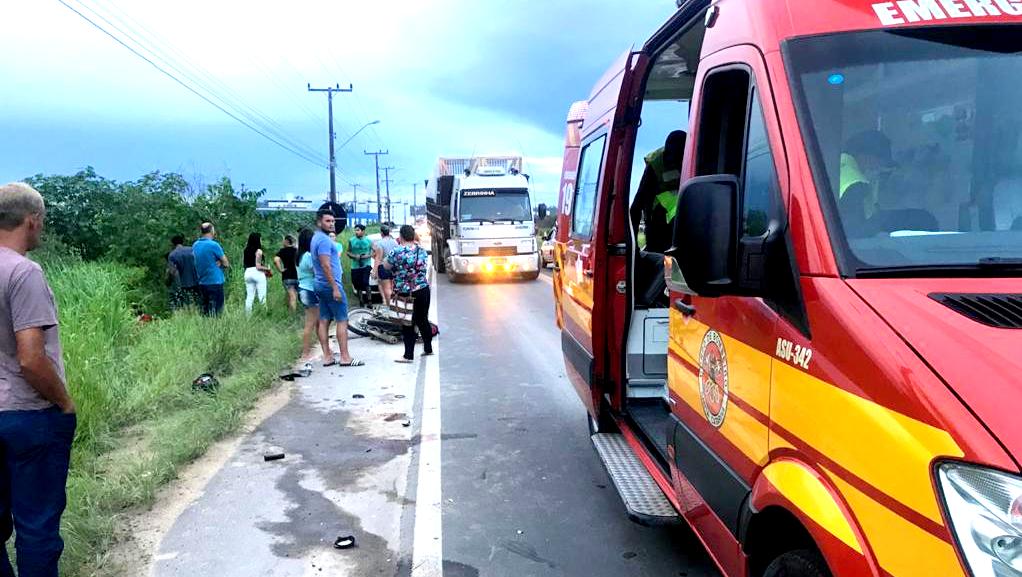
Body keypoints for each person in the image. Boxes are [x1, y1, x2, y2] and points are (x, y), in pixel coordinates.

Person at [0, 182, 76, 576]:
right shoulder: (23, 272)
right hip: (28, 416)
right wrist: (63, 403)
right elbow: (31, 358)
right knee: (37, 529)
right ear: (31, 221)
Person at [311, 210, 364, 367]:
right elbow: (326, 265)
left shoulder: (316, 238)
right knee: (342, 320)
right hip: (330, 284)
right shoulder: (325, 241)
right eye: (328, 221)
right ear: (319, 222)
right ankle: (345, 357)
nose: (332, 223)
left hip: (320, 284)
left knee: (324, 319)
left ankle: (327, 356)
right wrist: (334, 287)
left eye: (333, 221)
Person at [384, 225, 434, 363]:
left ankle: (408, 355)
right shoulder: (421, 251)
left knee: (407, 323)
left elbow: (386, 265)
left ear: (401, 236)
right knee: (423, 320)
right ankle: (428, 348)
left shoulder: (397, 251)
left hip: (405, 292)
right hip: (423, 289)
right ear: (413, 236)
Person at [630, 130, 686, 253]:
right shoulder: (655, 165)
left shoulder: (694, 158)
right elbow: (635, 208)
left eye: (678, 157)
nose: (673, 161)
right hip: (659, 228)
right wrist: (632, 248)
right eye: (670, 156)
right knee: (667, 267)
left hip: (683, 227)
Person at [193, 222, 230, 316]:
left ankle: (205, 328)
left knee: (205, 311)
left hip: (201, 282)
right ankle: (215, 329)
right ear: (212, 230)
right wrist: (220, 262)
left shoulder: (195, 245)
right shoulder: (214, 245)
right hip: (215, 281)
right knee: (217, 311)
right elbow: (226, 263)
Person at [296, 229, 320, 361]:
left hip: (302, 289)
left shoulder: (299, 255)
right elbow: (317, 272)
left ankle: (318, 347)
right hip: (310, 290)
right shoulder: (308, 256)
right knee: (312, 323)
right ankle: (306, 353)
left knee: (313, 322)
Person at [167, 234, 200, 310]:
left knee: (187, 305)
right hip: (197, 280)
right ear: (182, 242)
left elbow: (172, 272)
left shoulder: (172, 255)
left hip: (184, 283)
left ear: (173, 244)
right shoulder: (192, 250)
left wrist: (169, 282)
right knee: (198, 303)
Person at [243, 233, 272, 315]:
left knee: (249, 297)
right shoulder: (258, 251)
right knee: (262, 297)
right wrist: (268, 269)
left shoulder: (246, 250)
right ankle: (264, 315)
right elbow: (258, 266)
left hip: (248, 273)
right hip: (257, 273)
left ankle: (247, 316)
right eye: (260, 239)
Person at [346, 224, 373, 307]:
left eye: (358, 230)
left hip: (366, 264)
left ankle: (369, 301)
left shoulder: (368, 241)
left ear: (363, 231)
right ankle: (361, 301)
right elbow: (348, 252)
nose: (356, 232)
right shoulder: (351, 240)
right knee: (357, 284)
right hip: (355, 265)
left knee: (365, 282)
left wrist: (367, 256)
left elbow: (374, 252)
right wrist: (355, 256)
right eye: (355, 230)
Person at [372, 224, 399, 306]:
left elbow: (378, 258)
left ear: (381, 233)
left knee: (386, 288)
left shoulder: (379, 243)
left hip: (383, 267)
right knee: (392, 286)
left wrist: (374, 270)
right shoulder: (394, 242)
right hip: (394, 266)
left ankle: (388, 304)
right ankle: (394, 304)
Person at [273, 235, 299, 313]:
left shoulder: (282, 251)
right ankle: (289, 311)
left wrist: (280, 270)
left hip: (287, 276)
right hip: (298, 276)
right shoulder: (297, 250)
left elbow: (276, 260)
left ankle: (292, 315)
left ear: (287, 241)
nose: (282, 242)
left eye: (283, 240)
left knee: (292, 296)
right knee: (292, 295)